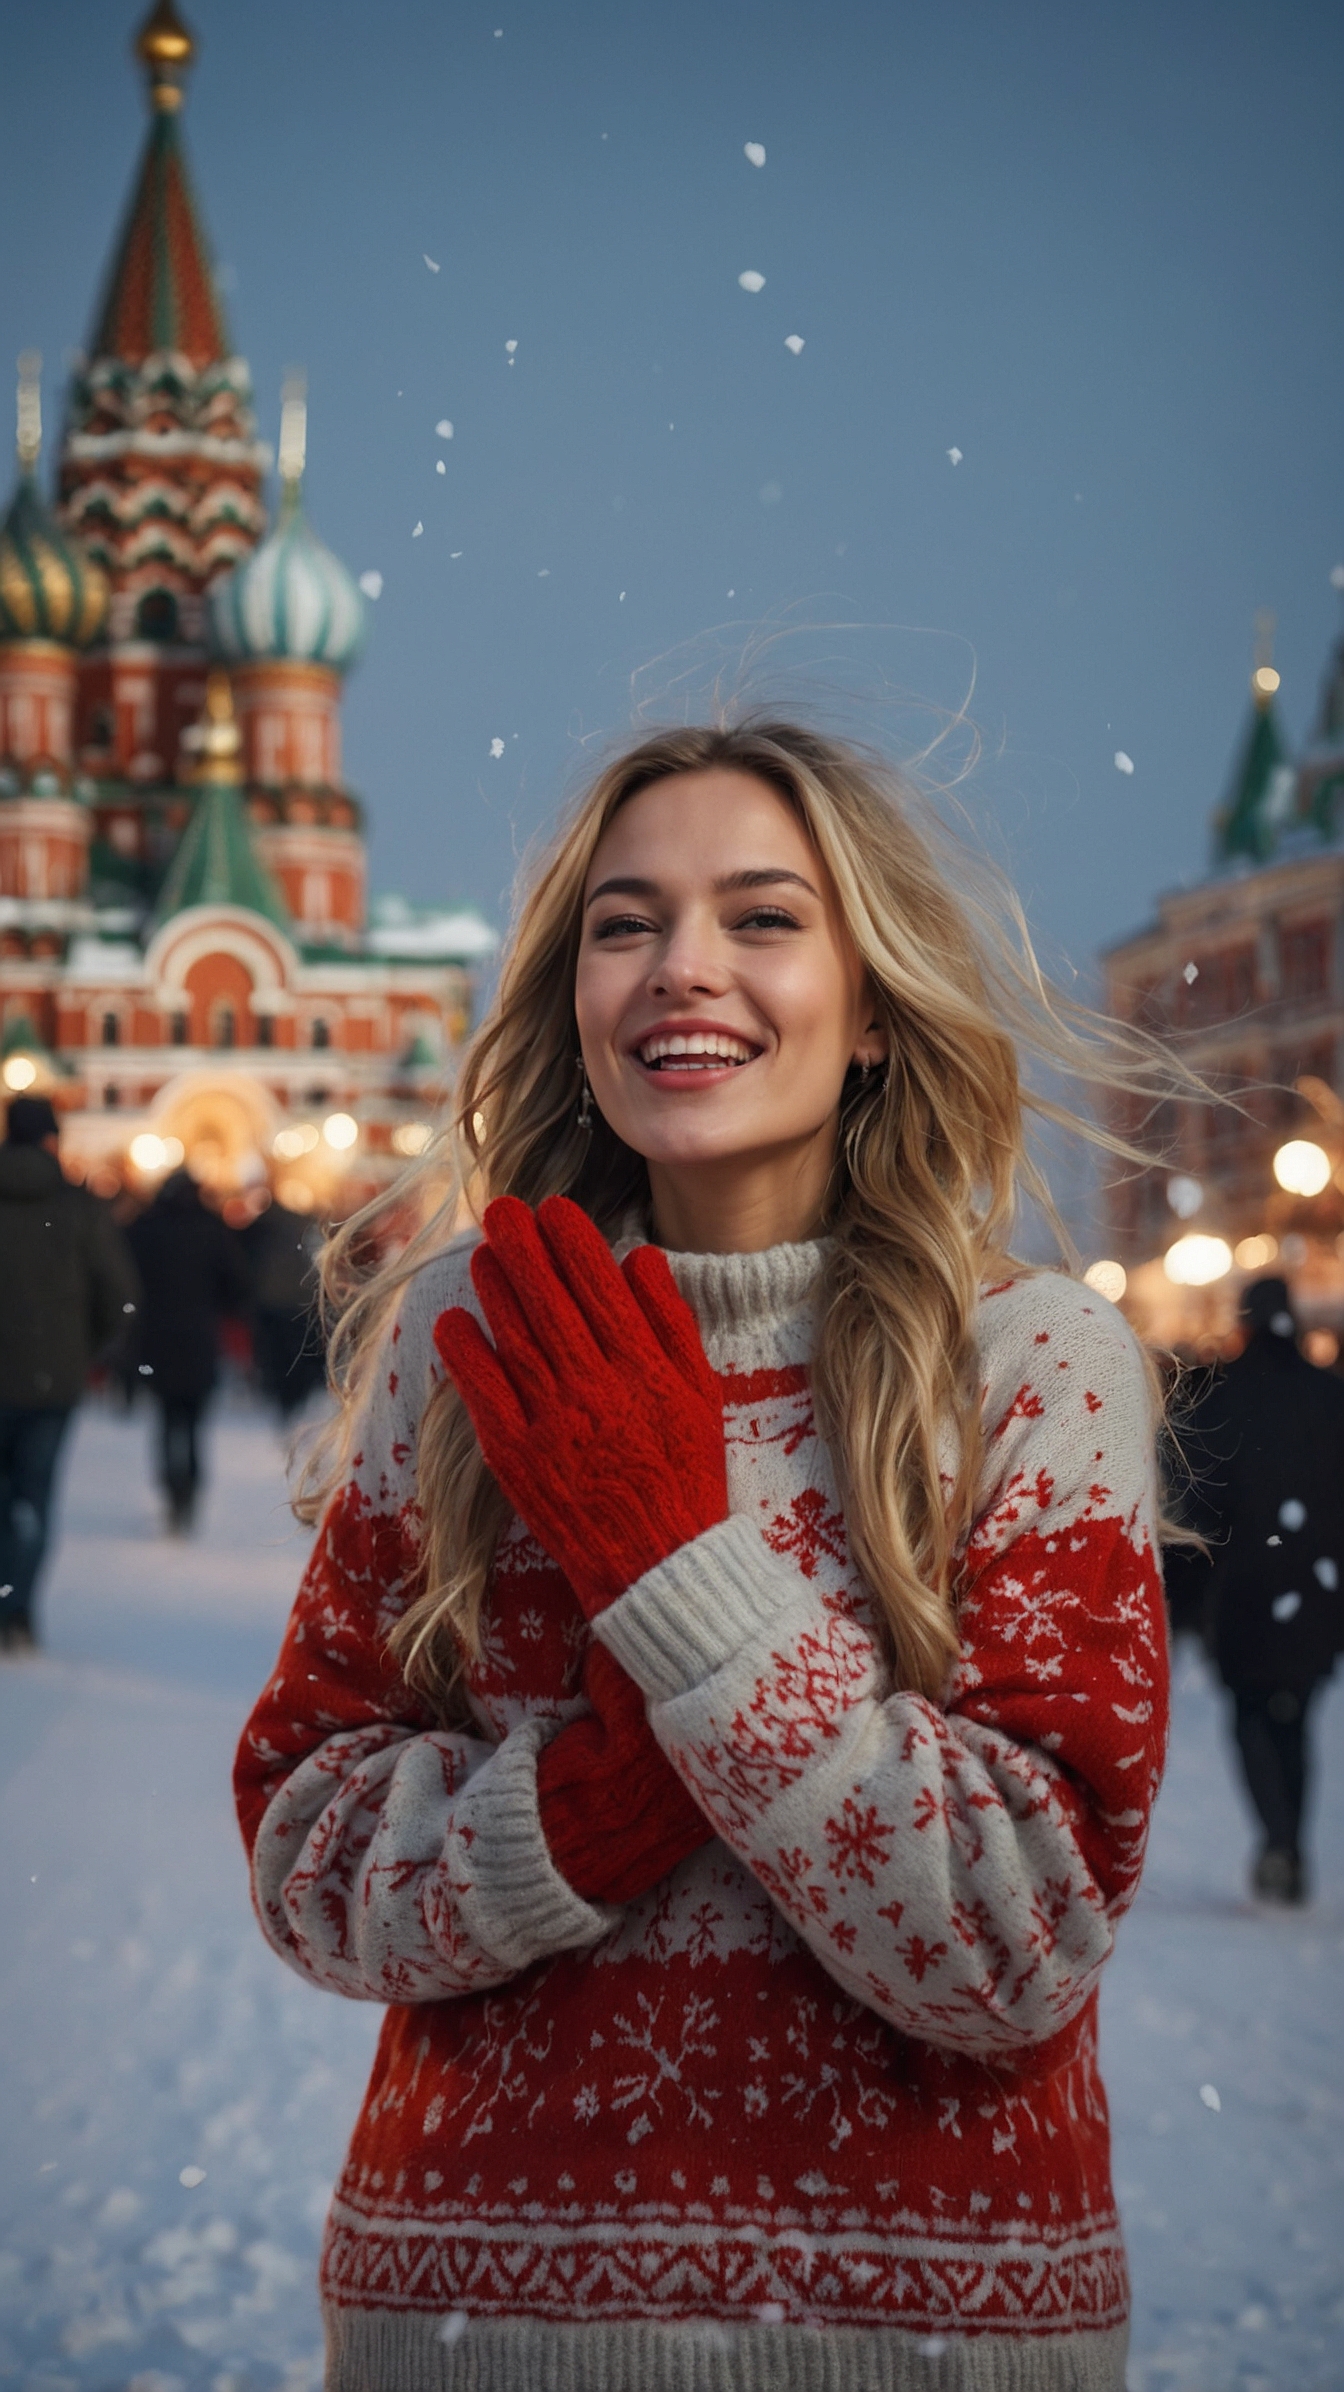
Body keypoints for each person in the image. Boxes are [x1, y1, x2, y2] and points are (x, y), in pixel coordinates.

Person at [236, 722, 1175, 2392]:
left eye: (759, 917)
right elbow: (306, 1851)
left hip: (918, 2340)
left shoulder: (1026, 1364)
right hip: (472, 2327)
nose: (681, 969)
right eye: (621, 923)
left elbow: (1011, 1934)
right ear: (570, 997)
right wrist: (587, 1804)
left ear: (873, 1002)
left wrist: (674, 1574)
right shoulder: (472, 1336)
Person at [1175, 1275, 1344, 1904]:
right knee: (1295, 1717)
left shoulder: (1221, 1403)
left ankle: (1277, 1839)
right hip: (1317, 1592)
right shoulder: (1331, 1397)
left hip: (1244, 1592)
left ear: (1246, 1323)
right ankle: (1290, 1842)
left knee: (1250, 1713)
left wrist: (1186, 1604)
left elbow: (1194, 1512)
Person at [0, 1093, 140, 1651]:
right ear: (52, 1140)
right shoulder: (78, 1208)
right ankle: (18, 1611)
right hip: (51, 1383)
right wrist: (84, 1351)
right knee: (32, 1498)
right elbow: (122, 1296)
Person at [127, 1166, 250, 1533]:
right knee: (194, 1423)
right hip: (199, 1338)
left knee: (166, 1419)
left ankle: (172, 1488)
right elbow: (237, 1285)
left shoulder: (145, 1228)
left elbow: (128, 1281)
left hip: (158, 1339)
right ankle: (190, 1489)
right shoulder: (211, 1229)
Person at [240, 1192, 326, 1423]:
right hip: (299, 1299)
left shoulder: (259, 1230)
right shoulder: (301, 1225)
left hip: (270, 1301)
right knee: (296, 1352)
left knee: (276, 1354)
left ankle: (282, 1395)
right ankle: (295, 1395)